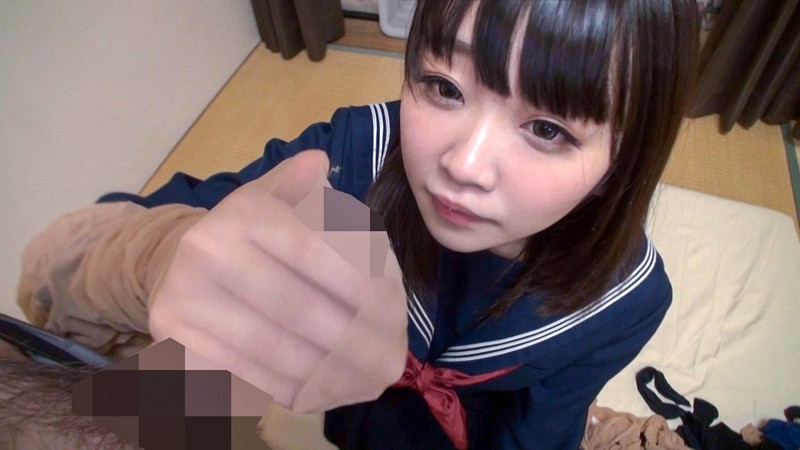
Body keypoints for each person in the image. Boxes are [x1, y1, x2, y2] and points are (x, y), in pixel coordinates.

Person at [16, 0, 700, 448]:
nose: (463, 165)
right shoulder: (351, 163)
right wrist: (163, 254)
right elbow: (99, 245)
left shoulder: (624, 299)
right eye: (444, 87)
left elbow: (540, 429)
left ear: (623, 157)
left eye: (547, 129)